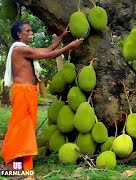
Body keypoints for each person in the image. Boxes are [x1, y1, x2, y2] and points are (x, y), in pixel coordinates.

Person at [1, 21, 83, 178]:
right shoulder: (19, 49)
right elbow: (47, 55)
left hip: (29, 92)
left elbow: (46, 49)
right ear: (20, 34)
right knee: (20, 129)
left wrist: (61, 37)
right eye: (28, 30)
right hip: (23, 92)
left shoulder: (24, 49)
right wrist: (69, 47)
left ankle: (21, 166)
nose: (31, 32)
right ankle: (15, 166)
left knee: (26, 129)